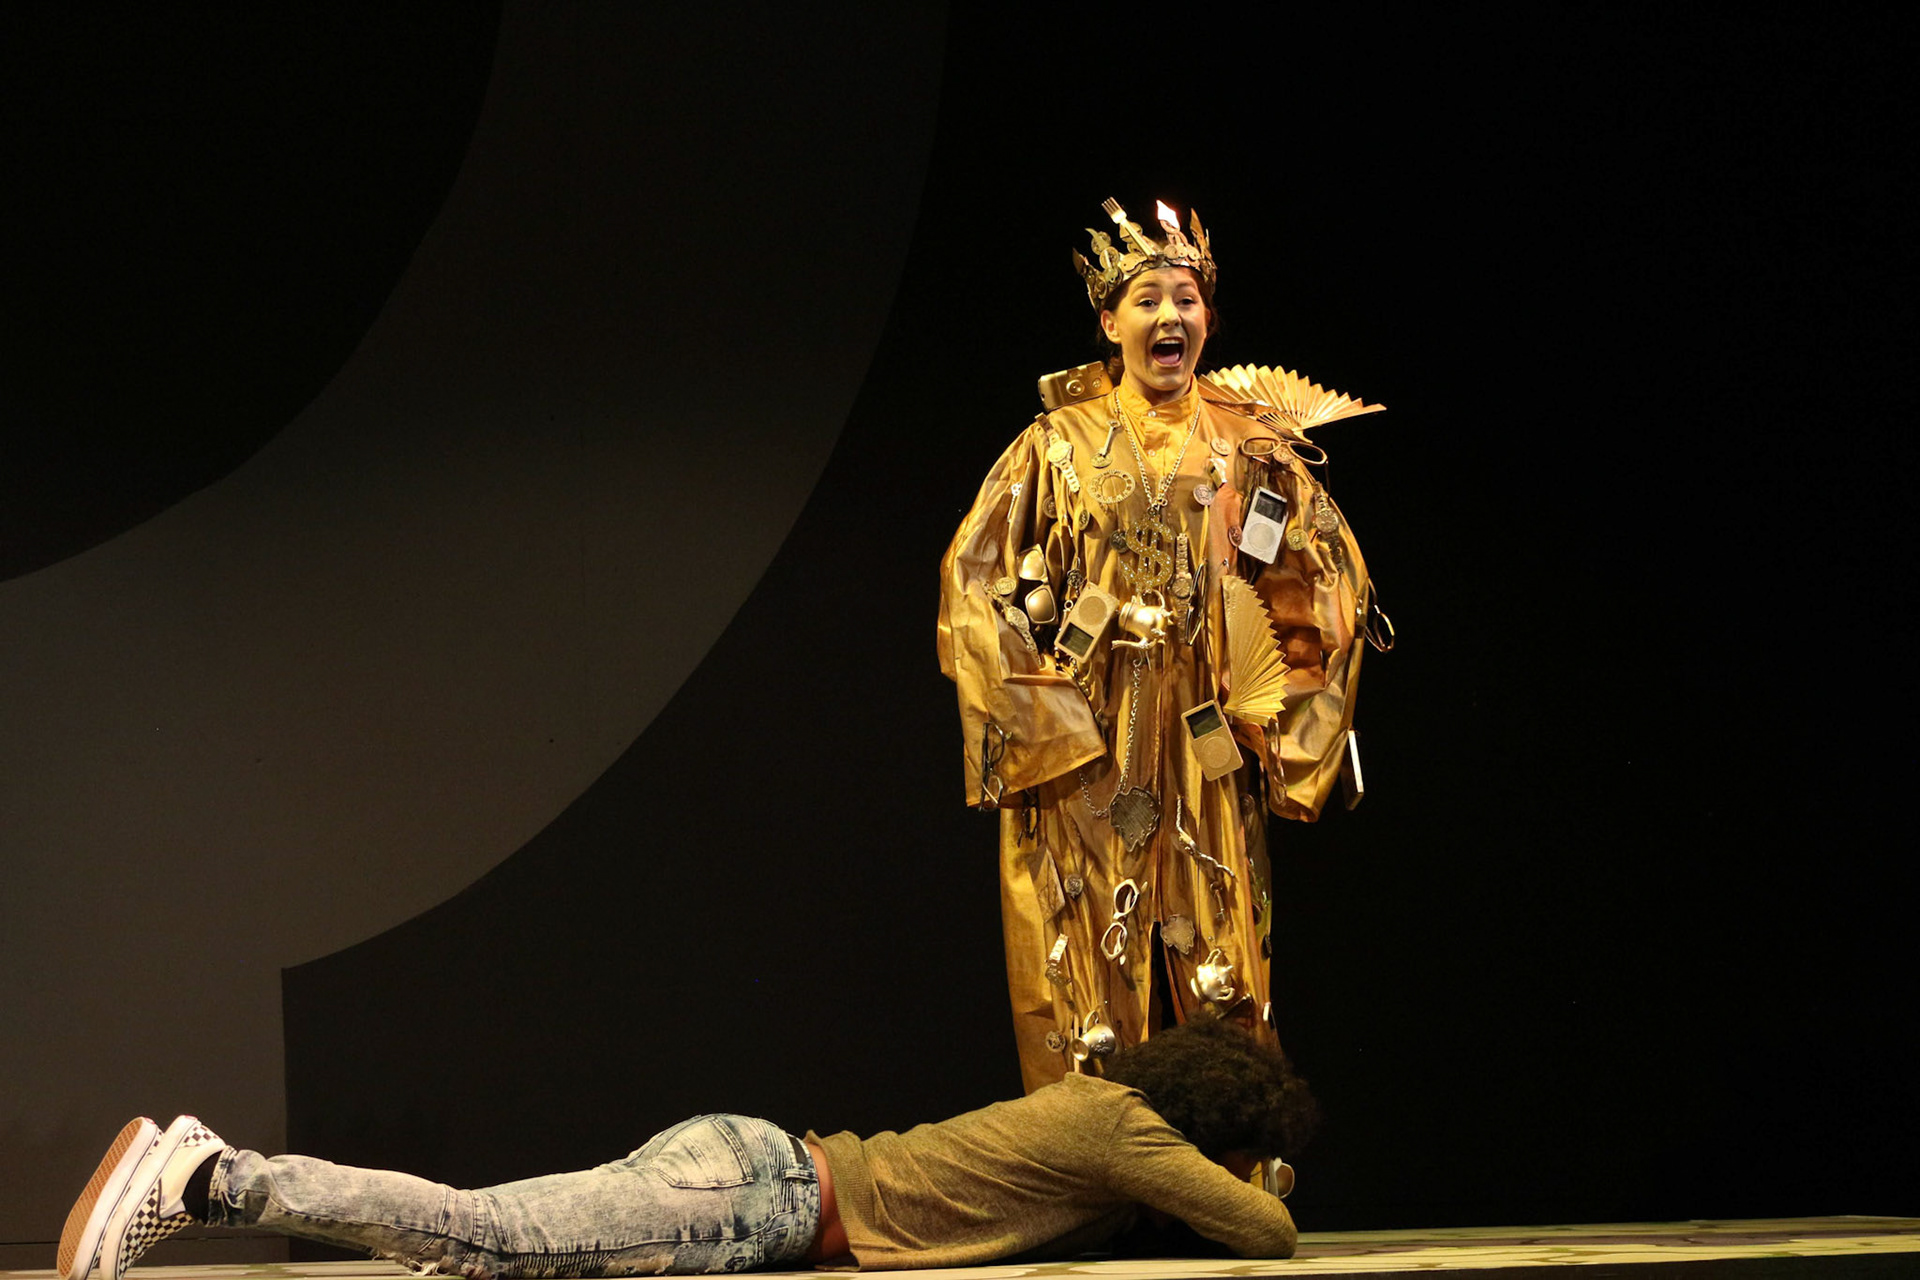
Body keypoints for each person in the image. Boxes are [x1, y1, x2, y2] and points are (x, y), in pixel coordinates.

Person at [939, 197, 1382, 1091]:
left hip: (1208, 733)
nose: (1169, 315)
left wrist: (1281, 718)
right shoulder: (1055, 445)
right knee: (1080, 964)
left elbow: (1325, 586)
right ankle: (1085, 1156)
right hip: (1087, 741)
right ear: (1111, 322)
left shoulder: (1255, 445)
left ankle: (1233, 1157)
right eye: (1147, 300)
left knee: (1224, 961)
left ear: (1208, 318)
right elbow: (974, 581)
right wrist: (1047, 714)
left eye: (1186, 298)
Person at [58, 1021, 1314, 1278]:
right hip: (765, 1197)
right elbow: (1265, 1230)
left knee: (487, 1235)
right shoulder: (1122, 1128)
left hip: (755, 1165)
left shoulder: (1097, 1122)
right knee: (485, 1236)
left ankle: (205, 1173)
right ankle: (210, 1176)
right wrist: (1254, 1179)